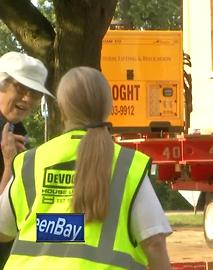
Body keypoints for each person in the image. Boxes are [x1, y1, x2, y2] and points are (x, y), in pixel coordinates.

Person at [0, 66, 172, 269]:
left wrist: (9, 164)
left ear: (61, 108)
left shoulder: (31, 162)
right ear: (108, 108)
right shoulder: (127, 165)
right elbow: (154, 243)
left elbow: (3, 231)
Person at [0, 51, 54, 269]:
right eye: (21, 88)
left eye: (35, 93)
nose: (28, 99)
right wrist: (9, 164)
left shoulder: (14, 130)